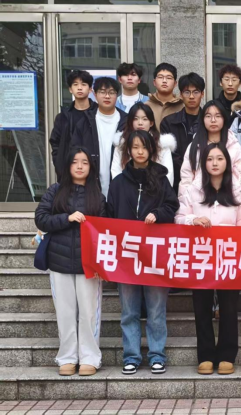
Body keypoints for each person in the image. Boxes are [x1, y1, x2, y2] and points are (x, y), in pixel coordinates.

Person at [175, 143, 241, 376]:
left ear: (227, 162)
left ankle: (227, 355)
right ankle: (206, 355)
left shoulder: (237, 190)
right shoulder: (194, 190)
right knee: (201, 306)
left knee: (229, 307)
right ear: (203, 164)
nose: (215, 163)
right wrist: (193, 220)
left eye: (220, 158)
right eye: (210, 159)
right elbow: (179, 217)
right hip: (201, 257)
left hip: (229, 256)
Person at [107, 130, 179, 376]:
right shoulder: (118, 183)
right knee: (129, 310)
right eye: (135, 147)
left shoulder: (161, 179)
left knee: (156, 309)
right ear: (128, 150)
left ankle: (157, 355)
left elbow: (172, 206)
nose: (139, 151)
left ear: (151, 150)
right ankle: (131, 356)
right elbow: (109, 215)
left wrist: (158, 214)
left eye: (144, 147)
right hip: (126, 256)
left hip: (155, 256)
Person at [35, 147, 106, 377]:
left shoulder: (97, 196)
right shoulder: (55, 191)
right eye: (75, 161)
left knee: (89, 312)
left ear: (91, 167)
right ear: (67, 165)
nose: (79, 166)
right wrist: (67, 218)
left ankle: (90, 358)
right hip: (59, 262)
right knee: (65, 313)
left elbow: (104, 230)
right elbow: (41, 219)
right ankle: (66, 358)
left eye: (84, 162)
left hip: (89, 265)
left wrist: (101, 264)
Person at [71, 77, 127, 198]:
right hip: (90, 185)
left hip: (121, 184)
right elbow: (74, 151)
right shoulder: (85, 121)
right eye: (102, 92)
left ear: (117, 95)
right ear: (95, 94)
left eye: (111, 92)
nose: (107, 96)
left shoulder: (126, 121)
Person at [179, 100, 241, 198]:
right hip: (198, 200)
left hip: (228, 199)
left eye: (218, 116)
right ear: (202, 119)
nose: (213, 120)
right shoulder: (194, 146)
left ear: (224, 118)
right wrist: (187, 201)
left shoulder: (234, 146)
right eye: (208, 116)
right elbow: (186, 178)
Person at [111, 102, 176, 186]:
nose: (140, 123)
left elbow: (168, 174)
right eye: (135, 119)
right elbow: (116, 172)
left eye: (145, 119)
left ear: (151, 123)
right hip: (126, 190)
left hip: (156, 190)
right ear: (130, 122)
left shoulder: (162, 145)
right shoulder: (121, 144)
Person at [161, 72, 206, 190]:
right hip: (176, 183)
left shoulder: (209, 122)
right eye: (187, 92)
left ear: (202, 94)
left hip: (205, 181)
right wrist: (187, 170)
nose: (191, 96)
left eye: (196, 92)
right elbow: (168, 155)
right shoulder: (168, 122)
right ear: (180, 94)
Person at [50, 70, 97, 182]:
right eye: (75, 85)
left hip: (94, 172)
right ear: (70, 89)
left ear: (90, 89)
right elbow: (55, 143)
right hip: (68, 173)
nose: (79, 88)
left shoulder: (98, 114)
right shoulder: (63, 117)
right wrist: (60, 165)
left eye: (83, 84)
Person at [145, 63, 184, 130]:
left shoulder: (182, 107)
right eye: (160, 77)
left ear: (175, 84)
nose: (164, 81)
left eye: (169, 78)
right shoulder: (146, 106)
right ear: (154, 82)